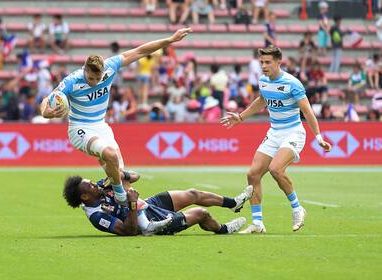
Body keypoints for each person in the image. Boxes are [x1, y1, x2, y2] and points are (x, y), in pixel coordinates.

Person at [40, 28, 193, 206]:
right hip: (80, 129)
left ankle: (135, 219)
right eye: (91, 78)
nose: (95, 82)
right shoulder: (72, 81)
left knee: (121, 176)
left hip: (102, 127)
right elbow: (46, 99)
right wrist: (46, 112)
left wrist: (170, 40)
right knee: (111, 158)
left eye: (98, 78)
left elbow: (141, 51)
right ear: (84, 69)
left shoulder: (110, 66)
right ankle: (119, 197)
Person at [220, 46, 332, 234]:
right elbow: (262, 100)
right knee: (253, 174)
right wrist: (240, 117)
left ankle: (297, 209)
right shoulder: (263, 80)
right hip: (274, 132)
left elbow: (307, 111)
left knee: (275, 169)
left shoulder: (292, 83)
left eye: (267, 62)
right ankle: (257, 223)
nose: (263, 66)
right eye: (261, 62)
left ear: (279, 62)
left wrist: (319, 137)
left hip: (293, 132)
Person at [63, 173, 253, 236]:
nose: (94, 184)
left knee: (193, 194)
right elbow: (128, 231)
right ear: (86, 197)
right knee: (201, 213)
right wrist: (131, 204)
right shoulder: (97, 216)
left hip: (147, 205)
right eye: (90, 185)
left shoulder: (101, 187)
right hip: (147, 222)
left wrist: (122, 176)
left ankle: (233, 203)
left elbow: (136, 177)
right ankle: (223, 229)